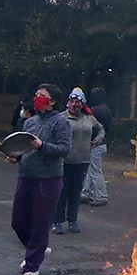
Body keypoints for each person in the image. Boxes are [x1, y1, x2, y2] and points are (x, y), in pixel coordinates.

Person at [10, 83, 71, 275]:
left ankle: (32, 267)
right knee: (18, 221)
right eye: (36, 94)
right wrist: (16, 157)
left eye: (41, 95)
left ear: (52, 100)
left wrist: (42, 145)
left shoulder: (60, 122)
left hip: (48, 179)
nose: (37, 98)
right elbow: (24, 148)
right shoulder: (30, 122)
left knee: (40, 224)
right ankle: (37, 249)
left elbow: (64, 149)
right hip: (26, 176)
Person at [53, 88, 104, 235]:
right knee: (62, 193)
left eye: (78, 102)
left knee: (75, 193)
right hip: (64, 161)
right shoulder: (62, 118)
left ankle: (73, 220)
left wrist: (97, 140)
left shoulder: (89, 118)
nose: (74, 105)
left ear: (82, 104)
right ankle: (57, 222)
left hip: (82, 161)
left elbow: (101, 130)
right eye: (72, 101)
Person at [80, 86, 112, 206]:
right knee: (90, 169)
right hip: (102, 143)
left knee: (95, 171)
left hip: (94, 144)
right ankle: (85, 193)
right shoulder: (106, 109)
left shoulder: (93, 110)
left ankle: (101, 196)